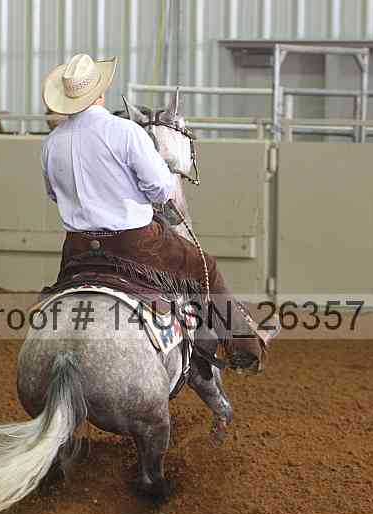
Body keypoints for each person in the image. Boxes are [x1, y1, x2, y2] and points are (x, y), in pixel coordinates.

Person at [40, 53, 266, 372]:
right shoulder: (126, 132)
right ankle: (244, 347)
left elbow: (53, 193)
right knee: (206, 268)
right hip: (135, 245)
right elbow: (161, 189)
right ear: (100, 92)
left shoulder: (52, 143)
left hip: (77, 248)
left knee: (59, 293)